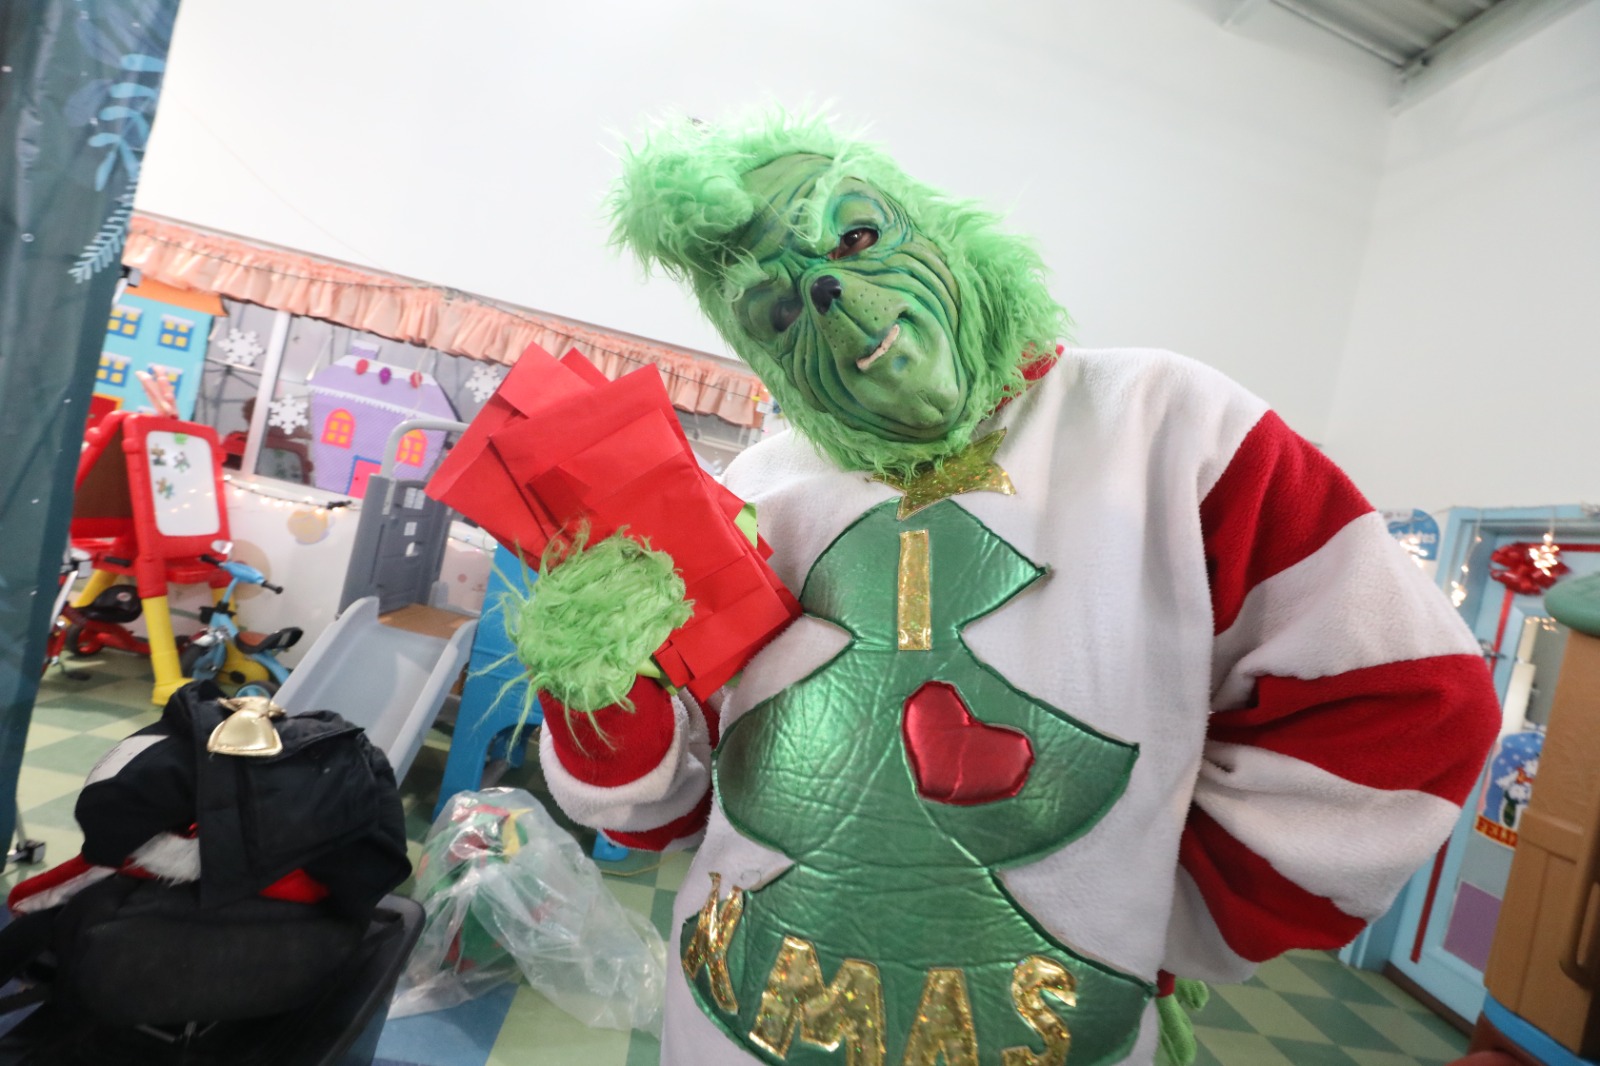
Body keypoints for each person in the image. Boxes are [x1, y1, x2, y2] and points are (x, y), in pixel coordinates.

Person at [516, 111, 1501, 1066]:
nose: (834, 298)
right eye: (777, 309)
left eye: (854, 237)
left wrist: (1162, 911)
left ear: (934, 223)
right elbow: (668, 813)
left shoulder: (1171, 426)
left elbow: (1411, 703)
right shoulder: (757, 490)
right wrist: (595, 685)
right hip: (729, 1020)